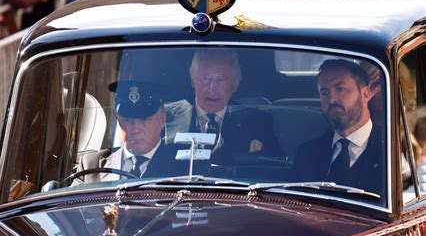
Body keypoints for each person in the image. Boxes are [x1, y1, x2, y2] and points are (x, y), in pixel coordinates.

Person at [165, 49, 283, 170]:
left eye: (221, 80)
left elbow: (275, 169)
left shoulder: (257, 121)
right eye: (205, 78)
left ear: (235, 83)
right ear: (192, 79)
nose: (212, 88)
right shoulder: (166, 117)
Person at [293, 59, 385, 196]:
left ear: (365, 94)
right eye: (324, 92)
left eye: (340, 89)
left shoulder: (392, 151)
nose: (331, 99)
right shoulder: (307, 154)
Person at [72, 80, 180, 184]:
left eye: (144, 120)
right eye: (128, 120)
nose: (136, 129)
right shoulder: (91, 166)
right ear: (118, 120)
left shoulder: (183, 166)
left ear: (162, 118)